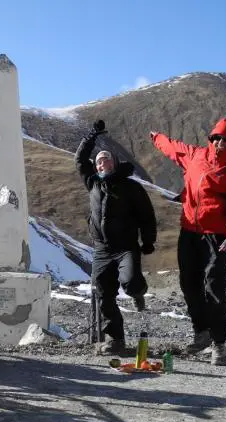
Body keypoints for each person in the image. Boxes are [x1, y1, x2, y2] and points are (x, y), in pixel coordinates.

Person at [149, 118, 226, 365]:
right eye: (217, 137)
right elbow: (173, 148)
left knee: (214, 288)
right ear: (211, 138)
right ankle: (202, 333)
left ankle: (219, 343)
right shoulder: (196, 155)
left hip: (217, 237)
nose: (221, 143)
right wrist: (157, 137)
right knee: (189, 283)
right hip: (188, 231)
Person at [76, 120, 157, 355]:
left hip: (125, 247)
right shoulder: (92, 183)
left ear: (115, 162)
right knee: (103, 293)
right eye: (99, 161)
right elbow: (80, 159)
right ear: (97, 167)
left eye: (106, 159)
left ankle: (138, 293)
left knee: (130, 282)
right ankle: (115, 339)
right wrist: (91, 135)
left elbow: (146, 214)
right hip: (102, 250)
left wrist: (148, 240)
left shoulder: (130, 186)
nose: (103, 163)